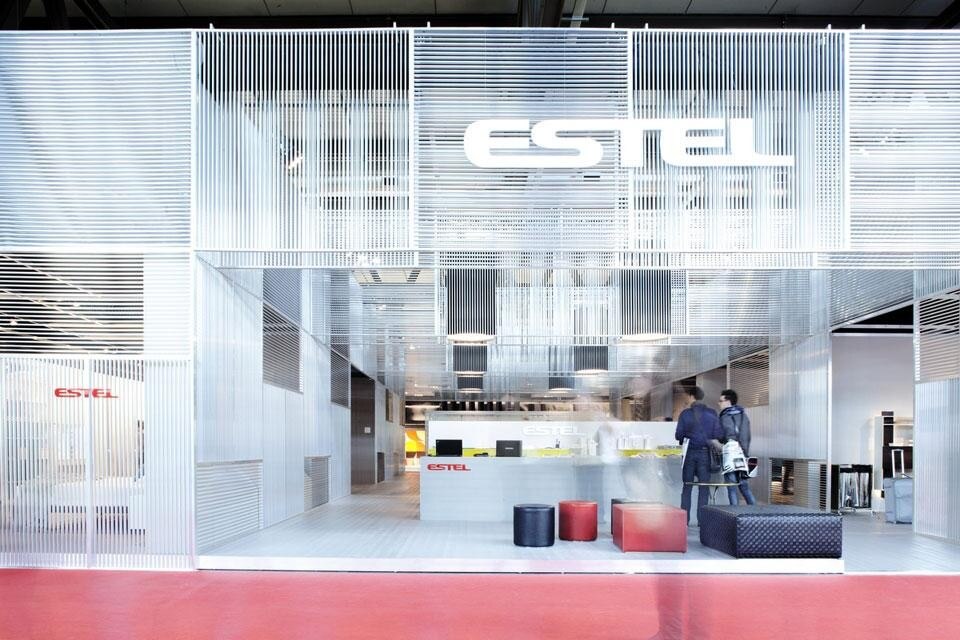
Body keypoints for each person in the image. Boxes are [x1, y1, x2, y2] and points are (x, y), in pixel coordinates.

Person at [675, 386, 723, 525]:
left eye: (687, 396)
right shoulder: (712, 413)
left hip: (690, 454)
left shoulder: (685, 414)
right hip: (705, 454)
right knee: (704, 488)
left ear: (691, 396)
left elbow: (678, 435)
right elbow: (718, 434)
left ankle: (684, 520)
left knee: (687, 487)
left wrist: (688, 436)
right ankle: (702, 521)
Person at [719, 389, 756, 506]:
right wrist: (745, 453)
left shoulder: (724, 416)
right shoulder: (743, 415)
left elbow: (722, 436)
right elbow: (746, 435)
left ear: (728, 401)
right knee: (744, 486)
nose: (719, 403)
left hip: (730, 454)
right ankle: (755, 513)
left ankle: (734, 514)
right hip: (742, 454)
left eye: (721, 401)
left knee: (732, 487)